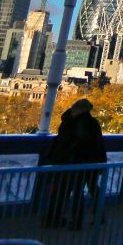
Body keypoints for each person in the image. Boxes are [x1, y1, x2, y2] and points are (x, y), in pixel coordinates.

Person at [42, 98, 105, 229]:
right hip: (89, 161)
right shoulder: (91, 123)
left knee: (67, 190)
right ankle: (95, 217)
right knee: (87, 190)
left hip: (72, 161)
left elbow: (66, 141)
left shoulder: (68, 122)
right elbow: (98, 144)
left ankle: (58, 218)